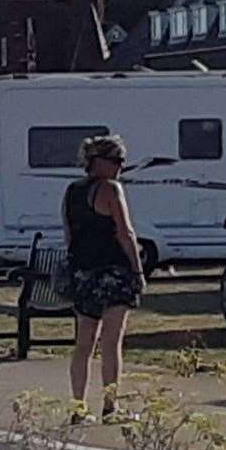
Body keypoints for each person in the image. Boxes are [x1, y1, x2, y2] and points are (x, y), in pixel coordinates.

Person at [62, 134, 147, 424]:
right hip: (112, 272)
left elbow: (69, 235)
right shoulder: (111, 189)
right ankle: (111, 407)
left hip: (83, 272)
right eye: (116, 161)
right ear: (99, 162)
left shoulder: (72, 191)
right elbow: (125, 232)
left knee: (84, 342)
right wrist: (137, 270)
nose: (120, 168)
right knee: (111, 342)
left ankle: (78, 407)